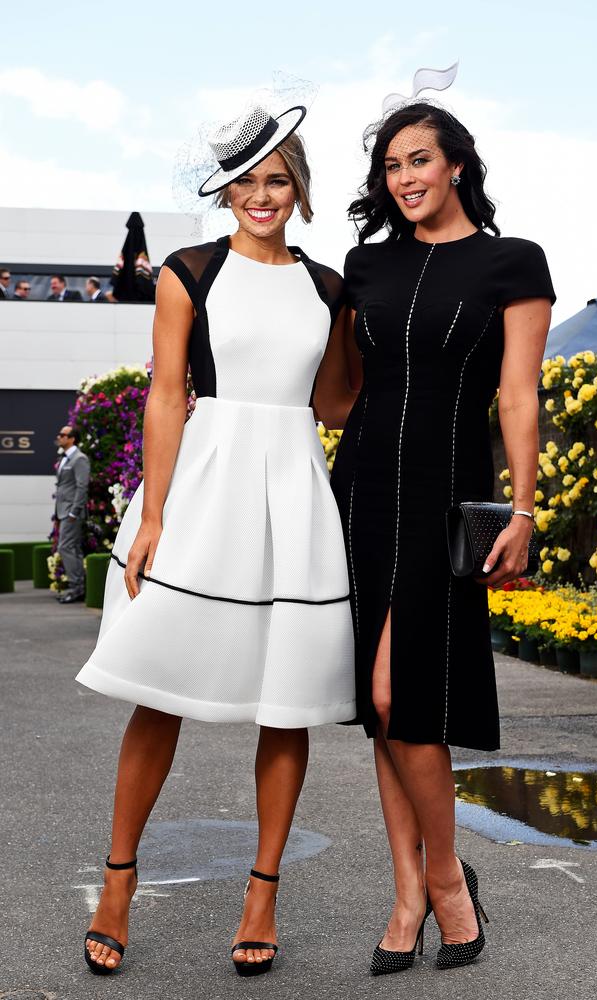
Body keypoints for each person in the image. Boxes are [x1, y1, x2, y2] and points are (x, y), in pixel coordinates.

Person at [75, 96, 355, 977]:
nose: (261, 196)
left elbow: (338, 403)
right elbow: (165, 394)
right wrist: (154, 515)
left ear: (300, 189)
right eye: (245, 182)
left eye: (277, 180)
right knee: (160, 689)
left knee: (288, 702)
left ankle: (263, 891)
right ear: (226, 191)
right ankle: (117, 882)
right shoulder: (187, 271)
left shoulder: (329, 286)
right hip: (203, 488)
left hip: (296, 494)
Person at [318, 101, 555, 976]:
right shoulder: (364, 267)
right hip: (360, 497)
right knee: (381, 708)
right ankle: (407, 890)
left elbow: (518, 397)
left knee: (399, 694)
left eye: (419, 159)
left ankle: (447, 879)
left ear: (457, 164)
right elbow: (336, 395)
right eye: (391, 166)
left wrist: (524, 511)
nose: (405, 178)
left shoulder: (512, 262)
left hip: (446, 502)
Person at [54, 425, 90, 604]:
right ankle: (79, 589)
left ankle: (76, 589)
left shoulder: (79, 459)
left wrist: (74, 512)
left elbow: (82, 486)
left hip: (71, 513)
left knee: (66, 548)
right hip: (64, 512)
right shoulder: (65, 458)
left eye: (63, 435)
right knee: (73, 549)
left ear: (72, 439)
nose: (59, 437)